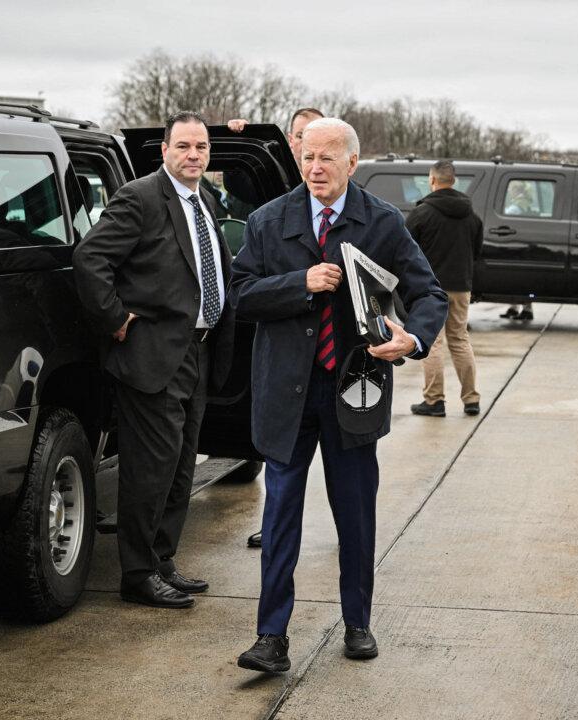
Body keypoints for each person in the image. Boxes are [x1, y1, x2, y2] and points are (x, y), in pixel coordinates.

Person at [230, 118, 446, 672]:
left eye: (328, 158)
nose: (315, 168)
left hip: (354, 389)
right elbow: (240, 295)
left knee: (355, 514)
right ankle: (271, 636)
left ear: (353, 163)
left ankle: (357, 623)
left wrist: (412, 338)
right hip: (287, 393)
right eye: (307, 156)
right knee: (280, 516)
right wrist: (297, 284)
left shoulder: (382, 222)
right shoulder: (267, 221)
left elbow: (428, 293)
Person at [73, 111, 235, 609]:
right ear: (164, 150)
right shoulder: (140, 197)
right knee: (150, 470)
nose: (193, 155)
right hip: (151, 357)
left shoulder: (205, 199)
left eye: (201, 148)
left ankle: (163, 561)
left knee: (182, 465)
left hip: (198, 352)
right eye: (184, 146)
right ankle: (137, 574)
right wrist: (116, 320)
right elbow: (90, 259)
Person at [230, 107, 325, 550]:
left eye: (316, 137)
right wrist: (234, 137)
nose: (311, 152)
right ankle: (278, 526)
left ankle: (352, 529)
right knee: (282, 453)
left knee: (347, 470)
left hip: (329, 355)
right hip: (283, 338)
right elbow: (237, 186)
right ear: (290, 140)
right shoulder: (274, 193)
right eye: (301, 138)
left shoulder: (337, 190)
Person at [407, 159, 483, 417]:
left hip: (432, 289)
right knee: (460, 339)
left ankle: (434, 401)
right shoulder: (472, 216)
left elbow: (407, 251)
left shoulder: (421, 214)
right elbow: (477, 252)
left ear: (432, 180)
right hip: (462, 285)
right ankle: (471, 399)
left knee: (434, 343)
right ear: (454, 181)